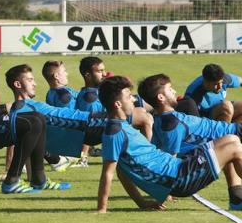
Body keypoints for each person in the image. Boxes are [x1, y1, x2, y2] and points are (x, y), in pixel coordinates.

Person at [96, 76, 242, 213]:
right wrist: (102, 209)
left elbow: (122, 171)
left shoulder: (123, 126)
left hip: (179, 168)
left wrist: (142, 203)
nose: (134, 99)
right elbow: (108, 173)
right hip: (178, 179)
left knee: (232, 139)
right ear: (117, 104)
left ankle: (237, 198)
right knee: (234, 147)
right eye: (129, 96)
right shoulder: (114, 132)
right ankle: (237, 198)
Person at [138, 73, 242, 210]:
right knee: (232, 143)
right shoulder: (171, 124)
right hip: (230, 134)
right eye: (170, 89)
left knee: (231, 144)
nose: (174, 91)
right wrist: (163, 193)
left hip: (229, 133)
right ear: (161, 97)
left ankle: (237, 199)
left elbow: (158, 150)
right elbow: (169, 160)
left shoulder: (159, 119)